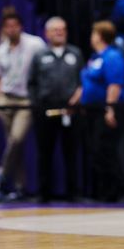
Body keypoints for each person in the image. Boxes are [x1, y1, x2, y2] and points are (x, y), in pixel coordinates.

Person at [0, 9, 46, 200]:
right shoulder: (0, 51)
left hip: (25, 99)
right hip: (6, 98)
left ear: (21, 27)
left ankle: (2, 175)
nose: (11, 29)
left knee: (16, 138)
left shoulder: (35, 44)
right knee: (15, 145)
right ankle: (20, 187)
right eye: (7, 26)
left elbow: (45, 65)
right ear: (4, 29)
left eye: (14, 25)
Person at [28, 17, 83, 202]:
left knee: (71, 153)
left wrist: (75, 102)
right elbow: (32, 83)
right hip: (45, 111)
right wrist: (37, 105)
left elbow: (82, 81)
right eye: (55, 29)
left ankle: (73, 193)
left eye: (62, 29)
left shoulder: (75, 54)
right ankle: (44, 193)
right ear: (47, 33)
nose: (59, 32)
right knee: (45, 153)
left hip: (70, 111)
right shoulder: (39, 56)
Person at [80, 21, 124, 202]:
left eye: (93, 34)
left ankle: (115, 191)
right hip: (92, 111)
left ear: (100, 36)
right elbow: (86, 82)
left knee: (105, 150)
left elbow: (114, 84)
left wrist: (110, 109)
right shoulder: (95, 57)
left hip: (106, 110)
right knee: (95, 151)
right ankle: (102, 190)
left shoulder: (112, 56)